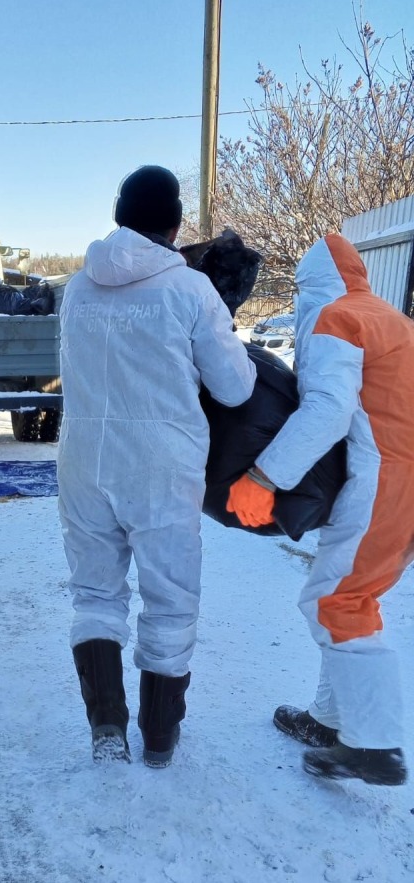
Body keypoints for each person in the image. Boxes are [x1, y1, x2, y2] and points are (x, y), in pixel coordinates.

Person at [57, 165, 256, 766]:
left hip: (84, 461)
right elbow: (236, 390)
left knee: (95, 594)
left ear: (119, 216)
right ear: (174, 225)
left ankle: (107, 729)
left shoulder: (76, 287)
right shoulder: (190, 291)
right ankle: (161, 739)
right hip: (161, 467)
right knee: (169, 600)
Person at [226, 234, 412, 786]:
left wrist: (264, 477)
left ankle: (375, 745)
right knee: (348, 594)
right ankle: (331, 721)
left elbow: (328, 409)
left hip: (387, 479)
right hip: (394, 476)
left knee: (338, 601)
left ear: (309, 285)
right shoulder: (387, 316)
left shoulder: (337, 318)